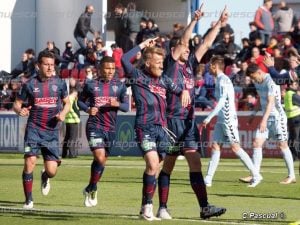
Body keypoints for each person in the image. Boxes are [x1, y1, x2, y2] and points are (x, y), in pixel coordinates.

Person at [157, 5, 227, 220]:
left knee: (195, 161)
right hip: (171, 121)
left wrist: (219, 25)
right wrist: (194, 20)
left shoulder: (189, 65)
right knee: (167, 166)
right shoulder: (170, 64)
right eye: (184, 48)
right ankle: (162, 207)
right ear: (175, 50)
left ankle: (204, 207)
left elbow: (205, 44)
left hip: (188, 122)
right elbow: (184, 41)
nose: (188, 50)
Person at [121, 38, 191, 221]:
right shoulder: (137, 75)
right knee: (152, 164)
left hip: (162, 130)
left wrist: (184, 91)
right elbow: (123, 59)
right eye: (158, 62)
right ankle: (148, 207)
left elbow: (179, 90)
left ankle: (144, 205)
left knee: (155, 168)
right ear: (148, 62)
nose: (161, 65)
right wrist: (143, 45)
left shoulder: (164, 80)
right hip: (145, 127)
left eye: (162, 62)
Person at [13, 51, 70, 209]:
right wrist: (20, 111)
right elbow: (16, 104)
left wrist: (63, 114)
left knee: (52, 171)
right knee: (30, 161)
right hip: (34, 129)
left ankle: (45, 176)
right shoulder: (30, 84)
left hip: (51, 132)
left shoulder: (59, 83)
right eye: (47, 64)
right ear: (38, 66)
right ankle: (29, 200)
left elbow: (67, 103)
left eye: (52, 64)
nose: (50, 67)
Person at [200, 56, 262, 188]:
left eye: (210, 65)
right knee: (216, 147)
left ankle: (256, 175)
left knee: (235, 148)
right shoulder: (219, 80)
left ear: (215, 66)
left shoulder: (224, 80)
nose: (208, 67)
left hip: (228, 119)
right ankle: (208, 178)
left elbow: (222, 101)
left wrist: (209, 117)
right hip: (221, 120)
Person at [78, 56, 129, 207]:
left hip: (111, 129)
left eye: (113, 69)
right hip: (94, 126)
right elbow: (79, 102)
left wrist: (117, 103)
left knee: (101, 161)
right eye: (107, 68)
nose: (110, 71)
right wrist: (88, 109)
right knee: (99, 158)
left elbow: (126, 108)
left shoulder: (120, 86)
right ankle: (93, 188)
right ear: (100, 69)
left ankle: (91, 187)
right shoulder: (90, 85)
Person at [240, 63, 296, 184]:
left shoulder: (271, 81)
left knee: (283, 145)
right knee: (256, 143)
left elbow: (271, 102)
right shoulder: (257, 82)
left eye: (254, 77)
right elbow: (261, 98)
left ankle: (291, 176)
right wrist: (253, 114)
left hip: (277, 118)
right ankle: (255, 174)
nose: (254, 80)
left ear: (259, 72)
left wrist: (263, 120)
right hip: (266, 117)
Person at [62, 86, 80, 158]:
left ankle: (64, 153)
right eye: (76, 93)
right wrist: (76, 118)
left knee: (67, 137)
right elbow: (70, 109)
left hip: (68, 120)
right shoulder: (70, 98)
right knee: (72, 138)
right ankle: (72, 154)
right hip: (73, 120)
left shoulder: (68, 98)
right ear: (74, 92)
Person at [284, 80, 300, 162]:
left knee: (292, 138)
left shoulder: (287, 94)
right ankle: (296, 156)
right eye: (295, 84)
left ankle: (292, 156)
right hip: (297, 118)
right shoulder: (293, 95)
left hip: (290, 119)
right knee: (296, 138)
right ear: (291, 85)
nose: (297, 85)